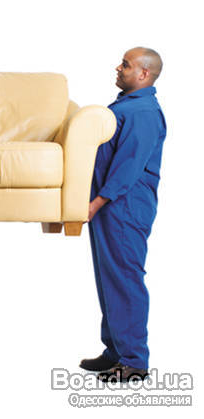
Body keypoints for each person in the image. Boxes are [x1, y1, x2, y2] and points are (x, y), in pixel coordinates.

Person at [80, 47, 166, 382]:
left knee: (125, 280)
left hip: (124, 207)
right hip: (111, 206)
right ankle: (115, 351)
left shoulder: (142, 112)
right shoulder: (128, 105)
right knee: (109, 279)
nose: (118, 68)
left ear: (144, 73)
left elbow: (127, 168)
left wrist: (95, 204)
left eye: (126, 65)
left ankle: (134, 362)